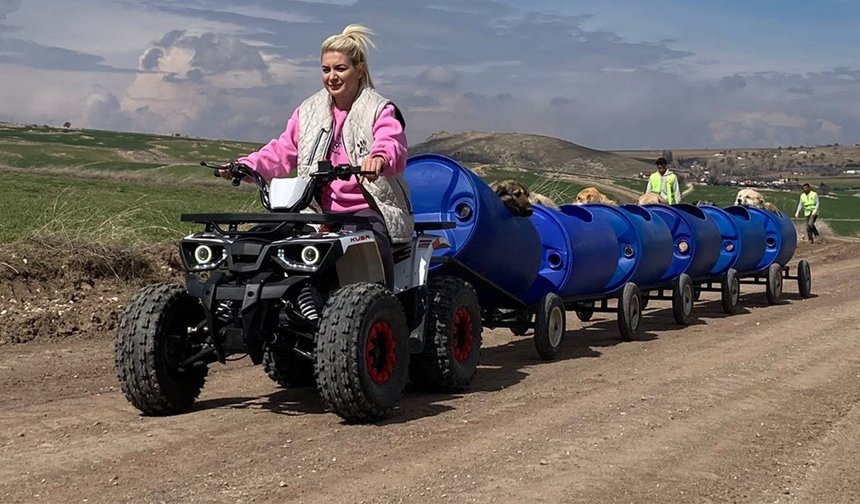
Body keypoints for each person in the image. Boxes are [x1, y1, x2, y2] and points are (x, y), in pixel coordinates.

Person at [224, 24, 412, 288]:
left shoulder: (379, 108)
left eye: (340, 69)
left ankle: (384, 310)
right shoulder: (309, 111)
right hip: (316, 211)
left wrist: (378, 158)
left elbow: (392, 142)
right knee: (264, 243)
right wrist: (244, 166)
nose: (332, 77)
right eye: (326, 70)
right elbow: (282, 150)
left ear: (359, 71)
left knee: (370, 250)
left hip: (367, 210)